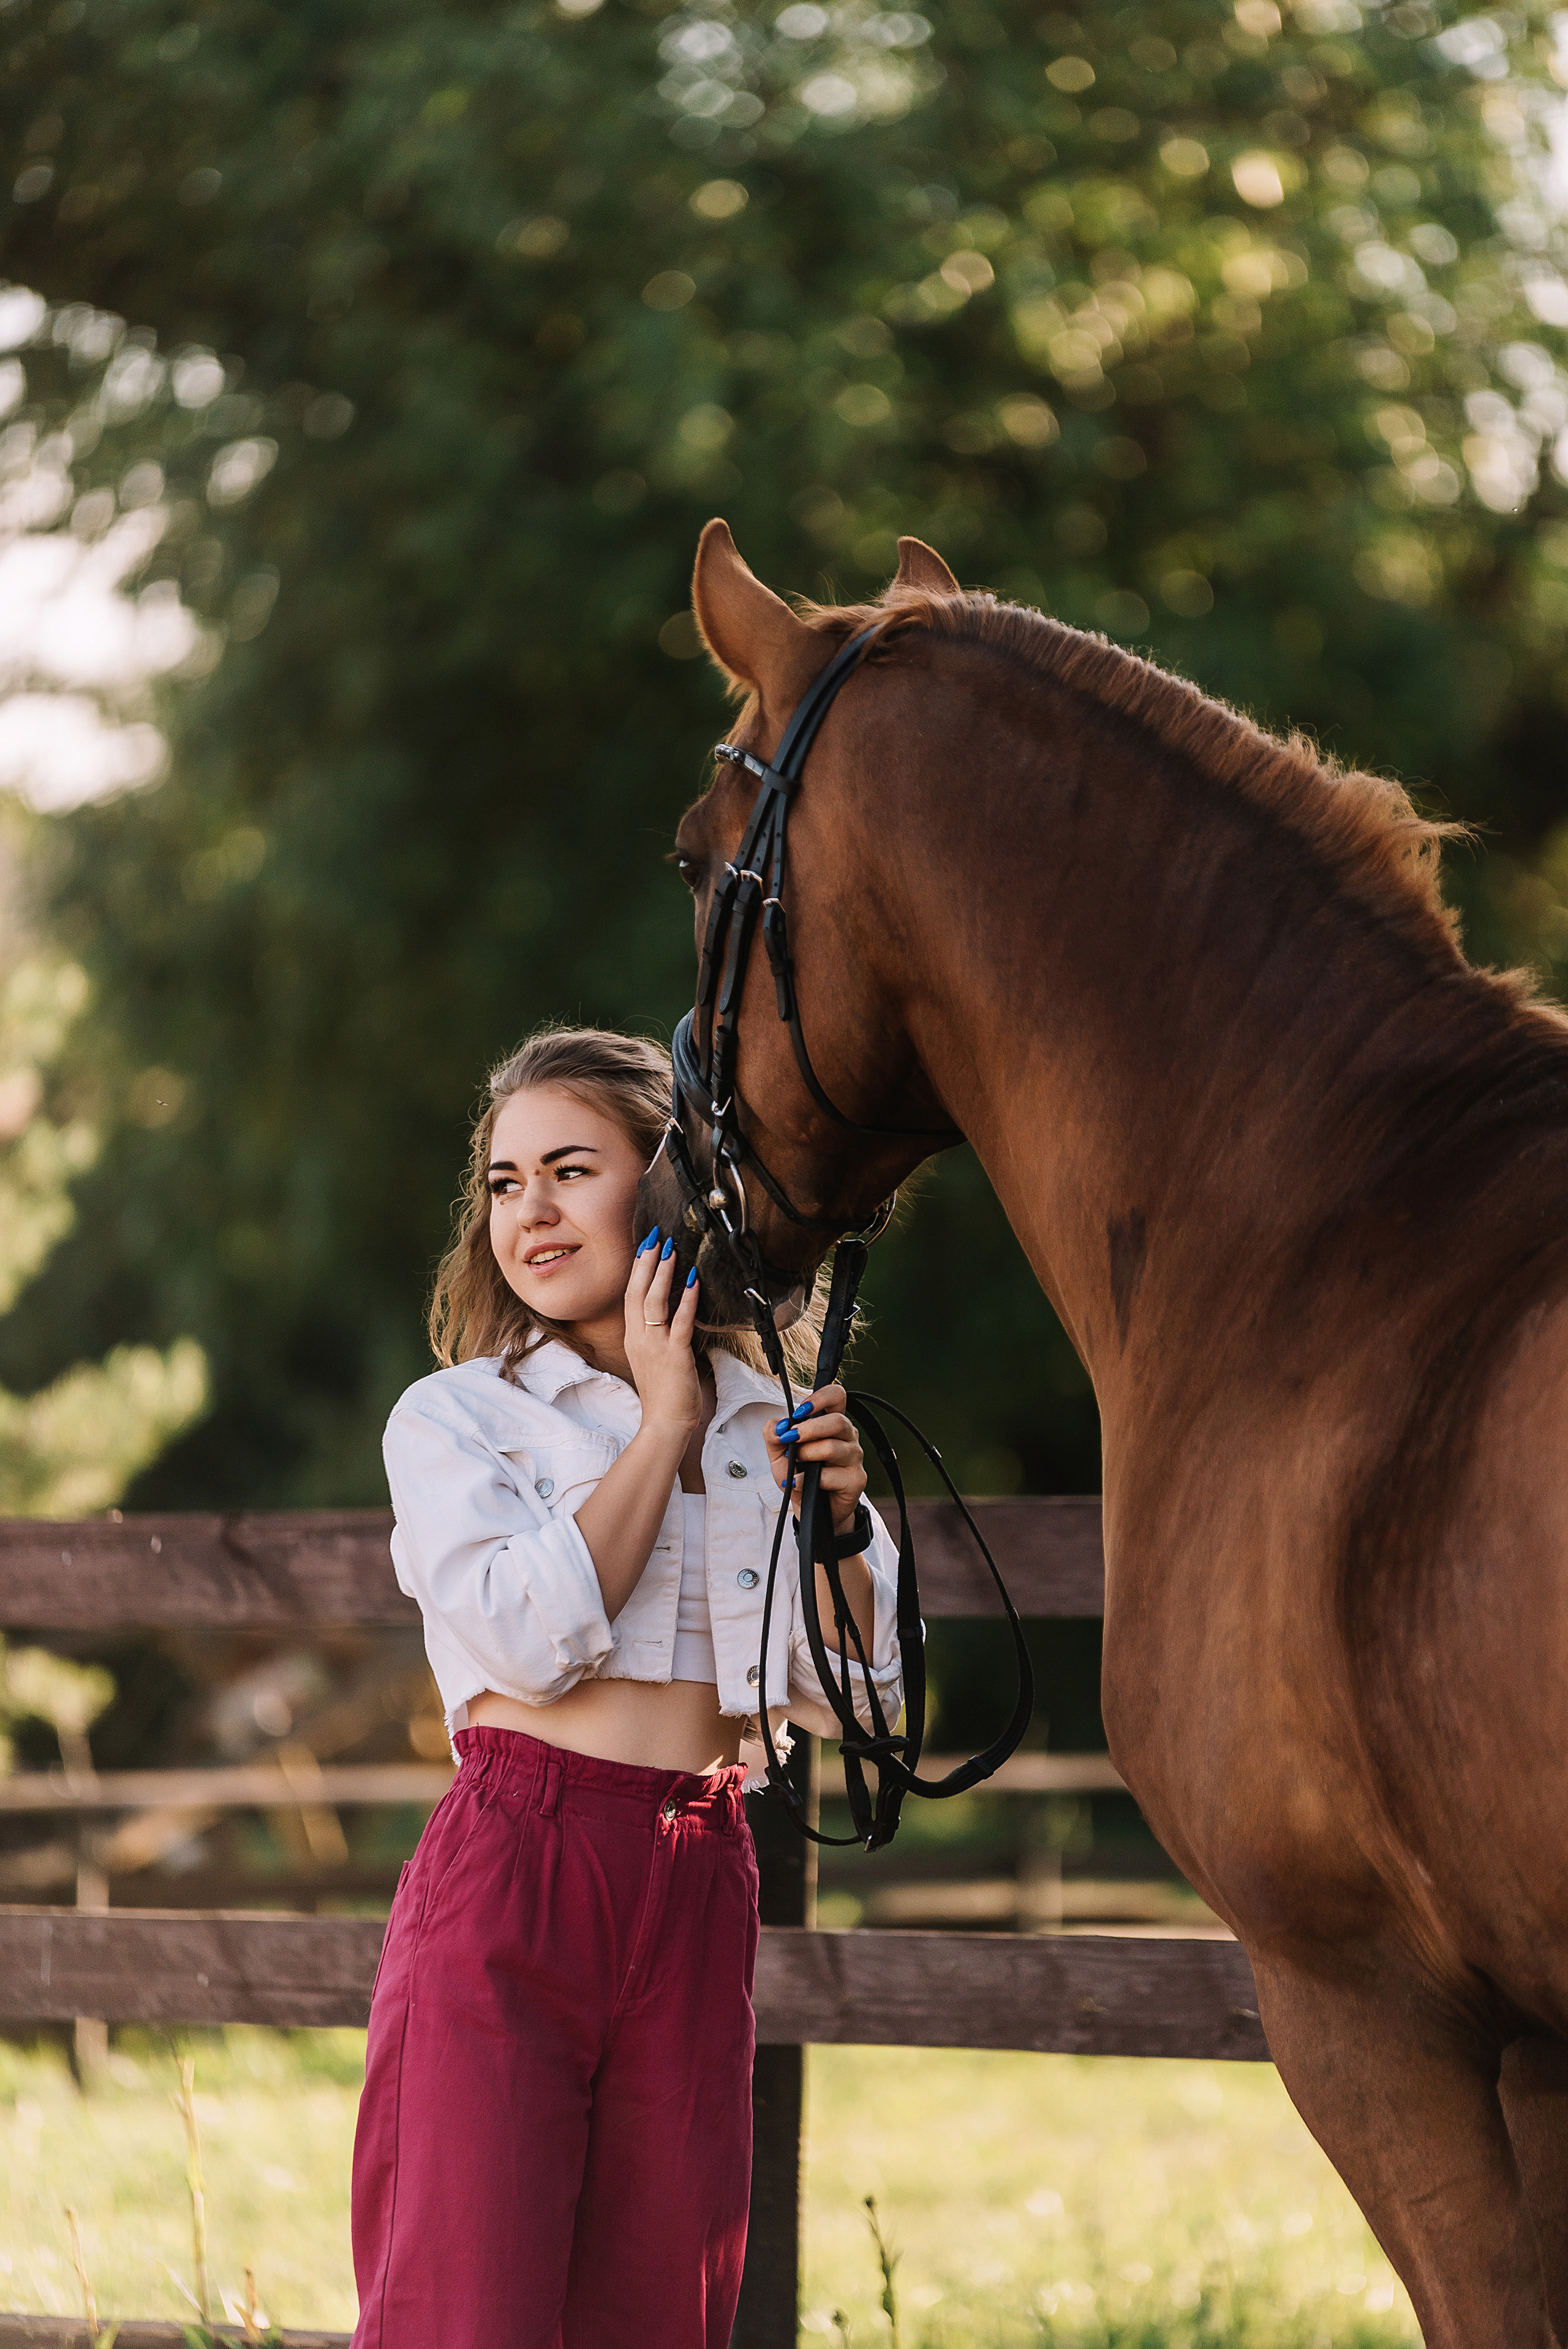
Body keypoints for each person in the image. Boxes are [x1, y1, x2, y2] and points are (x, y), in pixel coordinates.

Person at [349, 1025, 905, 2349]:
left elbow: (873, 1703)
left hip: (702, 1871)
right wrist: (654, 1427)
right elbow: (524, 1642)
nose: (527, 1211)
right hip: (518, 1864)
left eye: (568, 1169)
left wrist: (837, 1529)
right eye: (501, 1182)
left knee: (659, 2309)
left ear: (663, 1186)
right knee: (467, 2309)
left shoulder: (761, 1415)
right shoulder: (455, 1420)